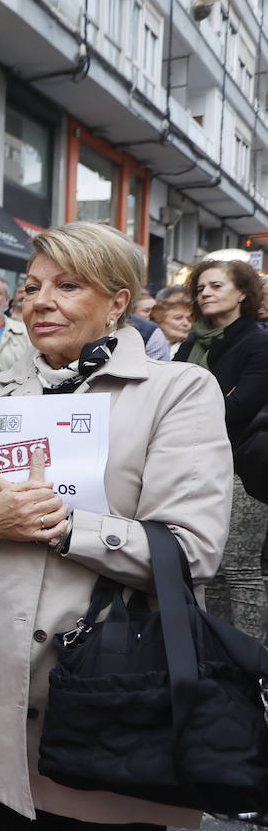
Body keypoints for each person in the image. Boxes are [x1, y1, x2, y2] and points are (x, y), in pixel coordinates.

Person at [0, 222, 231, 831]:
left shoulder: (176, 392)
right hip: (3, 690)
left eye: (67, 285)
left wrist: (64, 525)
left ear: (118, 301)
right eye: (30, 286)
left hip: (111, 697)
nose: (39, 300)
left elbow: (191, 548)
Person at [173, 256, 268, 638]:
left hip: (241, 468)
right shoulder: (194, 341)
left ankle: (252, 666)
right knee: (206, 569)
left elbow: (237, 409)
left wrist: (188, 409)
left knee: (241, 570)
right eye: (201, 288)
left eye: (216, 286)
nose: (206, 293)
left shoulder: (259, 343)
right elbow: (166, 401)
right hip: (191, 466)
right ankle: (219, 657)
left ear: (242, 293)